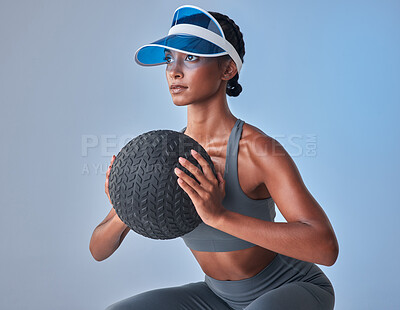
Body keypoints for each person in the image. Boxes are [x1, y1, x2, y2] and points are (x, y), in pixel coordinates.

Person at [89, 5, 339, 310]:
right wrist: (125, 208)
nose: (174, 71)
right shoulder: (161, 157)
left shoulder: (257, 150)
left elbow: (325, 247)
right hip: (217, 297)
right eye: (170, 59)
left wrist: (218, 216)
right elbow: (98, 250)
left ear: (227, 69)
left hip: (291, 288)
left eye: (191, 57)